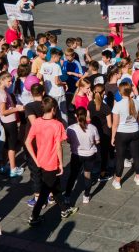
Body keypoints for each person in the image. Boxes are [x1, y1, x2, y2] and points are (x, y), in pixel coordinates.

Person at [25, 96, 79, 226]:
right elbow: (58, 147)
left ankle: (64, 210)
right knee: (45, 191)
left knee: (55, 187)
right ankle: (34, 216)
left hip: (41, 161)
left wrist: (36, 159)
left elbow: (27, 142)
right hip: (51, 163)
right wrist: (61, 164)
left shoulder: (37, 122)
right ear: (54, 109)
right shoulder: (57, 125)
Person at [111, 81, 139, 188]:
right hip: (134, 132)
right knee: (136, 156)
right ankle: (138, 178)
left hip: (121, 133)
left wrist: (113, 137)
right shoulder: (137, 103)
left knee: (120, 158)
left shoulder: (118, 105)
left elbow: (115, 124)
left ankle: (118, 181)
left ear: (120, 92)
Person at [64, 107, 99, 204]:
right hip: (90, 155)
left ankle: (67, 196)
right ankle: (86, 196)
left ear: (75, 115)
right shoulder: (92, 128)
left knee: (73, 175)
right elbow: (97, 141)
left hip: (76, 155)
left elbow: (68, 141)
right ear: (86, 115)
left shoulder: (70, 129)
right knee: (87, 175)